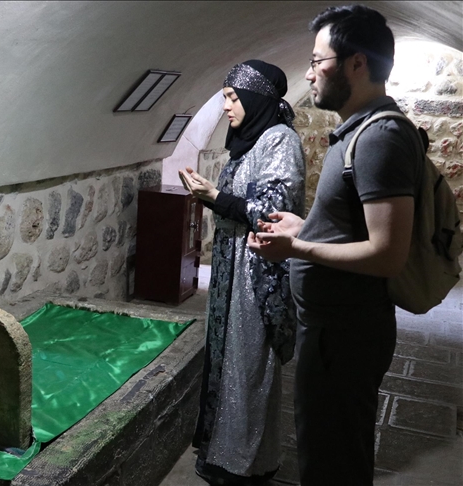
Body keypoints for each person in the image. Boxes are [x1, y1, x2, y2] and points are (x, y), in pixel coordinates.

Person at [246, 6, 420, 485]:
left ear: (356, 63)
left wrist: (296, 248)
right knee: (328, 450)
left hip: (345, 334)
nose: (309, 74)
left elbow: (387, 254)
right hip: (333, 329)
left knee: (333, 462)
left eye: (317, 61)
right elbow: (354, 227)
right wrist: (306, 228)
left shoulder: (379, 137)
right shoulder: (360, 131)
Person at [179, 59, 305, 485]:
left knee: (248, 366)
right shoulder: (247, 142)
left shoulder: (279, 140)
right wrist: (209, 195)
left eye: (233, 98)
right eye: (225, 98)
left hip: (256, 272)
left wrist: (215, 196)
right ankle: (224, 453)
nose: (226, 107)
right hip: (232, 267)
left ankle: (247, 463)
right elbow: (237, 201)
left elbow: (272, 213)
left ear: (255, 97)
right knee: (228, 361)